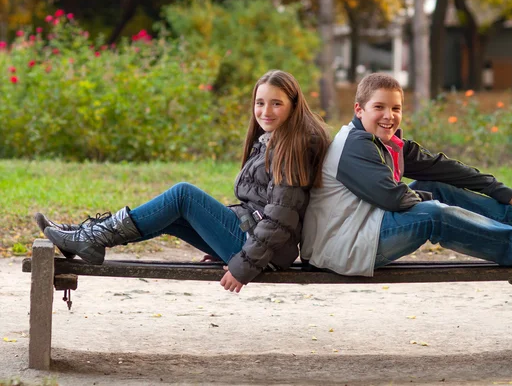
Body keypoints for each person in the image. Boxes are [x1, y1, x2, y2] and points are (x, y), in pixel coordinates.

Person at [37, 70, 331, 292]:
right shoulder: (272, 140)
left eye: (276, 104)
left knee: (183, 195)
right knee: (171, 215)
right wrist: (217, 237)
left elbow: (280, 219)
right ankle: (89, 236)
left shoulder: (295, 148)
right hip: (252, 236)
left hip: (262, 249)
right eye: (260, 102)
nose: (266, 111)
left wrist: (243, 265)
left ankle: (92, 237)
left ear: (293, 105)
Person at [301, 73, 512, 277]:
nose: (389, 116)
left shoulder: (385, 142)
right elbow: (393, 199)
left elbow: (441, 167)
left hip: (363, 228)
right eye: (379, 107)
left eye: (396, 108)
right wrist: (435, 203)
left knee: (435, 186)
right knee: (433, 215)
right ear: (359, 110)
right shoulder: (355, 145)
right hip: (341, 247)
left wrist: (498, 189)